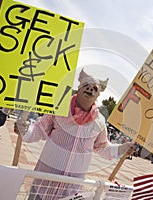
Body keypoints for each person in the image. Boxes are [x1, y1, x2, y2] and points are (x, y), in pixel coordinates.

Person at [14, 69, 135, 200]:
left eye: (95, 88)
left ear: (98, 94)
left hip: (71, 190)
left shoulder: (99, 122)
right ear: (79, 87)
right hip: (44, 183)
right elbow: (39, 129)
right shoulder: (60, 109)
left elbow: (102, 147)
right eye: (86, 85)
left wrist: (122, 149)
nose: (90, 89)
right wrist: (25, 130)